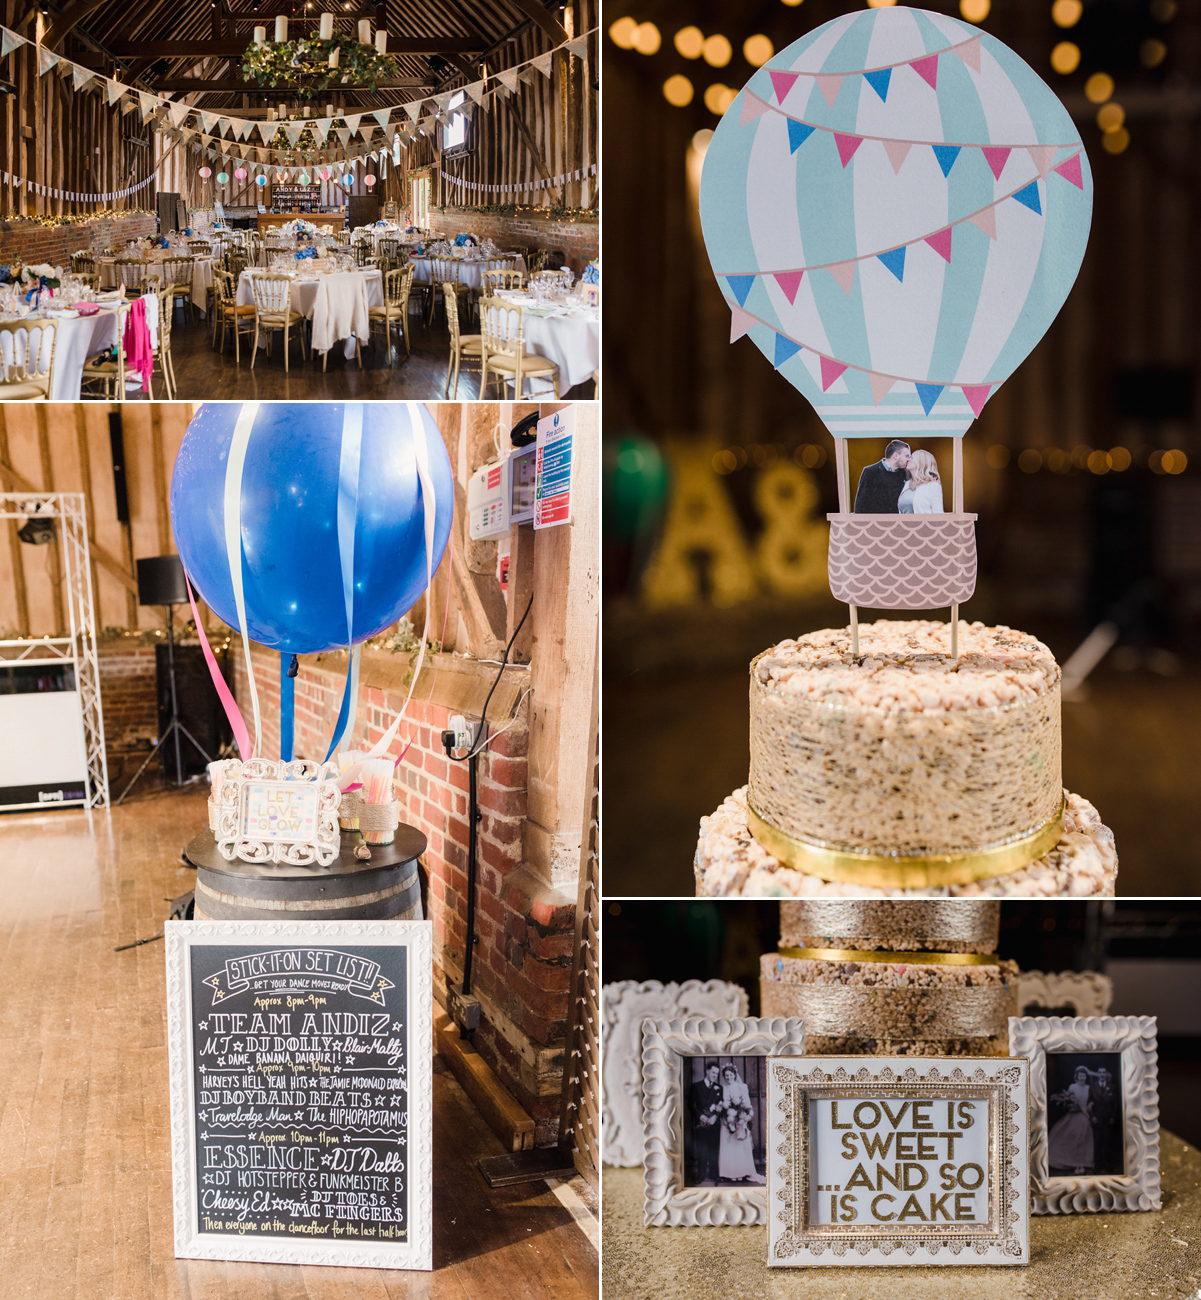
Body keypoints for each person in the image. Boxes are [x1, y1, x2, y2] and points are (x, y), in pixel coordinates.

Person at [717, 1064, 763, 1184]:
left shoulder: (742, 1087)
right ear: (724, 1076)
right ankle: (730, 1173)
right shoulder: (723, 1088)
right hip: (727, 1120)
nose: (728, 1077)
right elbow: (721, 1103)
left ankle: (741, 1172)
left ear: (735, 1075)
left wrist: (744, 1116)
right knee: (729, 1147)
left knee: (739, 1147)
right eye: (726, 1075)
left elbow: (747, 1103)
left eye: (730, 1075)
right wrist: (725, 1109)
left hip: (739, 1120)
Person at [1048, 1066, 1095, 1174]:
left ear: (1085, 1077)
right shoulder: (1072, 1086)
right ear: (1077, 1076)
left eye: (1084, 1076)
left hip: (1084, 1117)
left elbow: (1089, 1102)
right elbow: (1068, 1101)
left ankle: (1081, 1164)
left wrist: (1088, 1108)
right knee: (1071, 1139)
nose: (1082, 1078)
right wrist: (1072, 1106)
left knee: (1082, 1141)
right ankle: (1072, 1164)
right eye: (1080, 1076)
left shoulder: (1088, 1088)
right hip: (1074, 1115)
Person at [688, 1063, 723, 1185]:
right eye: (713, 1073)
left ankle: (715, 1175)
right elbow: (691, 1104)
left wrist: (715, 1116)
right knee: (702, 1150)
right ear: (707, 1071)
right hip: (701, 1123)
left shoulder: (719, 1088)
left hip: (714, 1123)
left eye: (717, 1074)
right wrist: (700, 1116)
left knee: (714, 1150)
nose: (715, 1076)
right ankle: (701, 1175)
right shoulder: (696, 1087)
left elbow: (721, 1106)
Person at [853, 440, 911, 513]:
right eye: (906, 456)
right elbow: (860, 504)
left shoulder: (904, 473)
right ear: (896, 455)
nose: (908, 459)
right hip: (875, 522)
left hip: (897, 522)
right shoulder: (870, 472)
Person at [1090, 1067, 1120, 1174]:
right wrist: (1092, 1116)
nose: (1102, 1074)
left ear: (1106, 1075)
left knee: (1107, 1142)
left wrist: (1112, 1117)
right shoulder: (1092, 1087)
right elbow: (1089, 1102)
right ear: (1097, 1075)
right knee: (1097, 1142)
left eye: (1104, 1072)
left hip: (1108, 1119)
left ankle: (1106, 1166)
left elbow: (1115, 1104)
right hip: (1096, 1119)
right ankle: (1097, 1166)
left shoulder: (1112, 1087)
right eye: (1100, 1072)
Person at [898, 448, 945, 514]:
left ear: (921, 462)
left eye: (912, 458)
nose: (908, 460)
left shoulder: (933, 486)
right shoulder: (906, 484)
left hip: (924, 524)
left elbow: (938, 514)